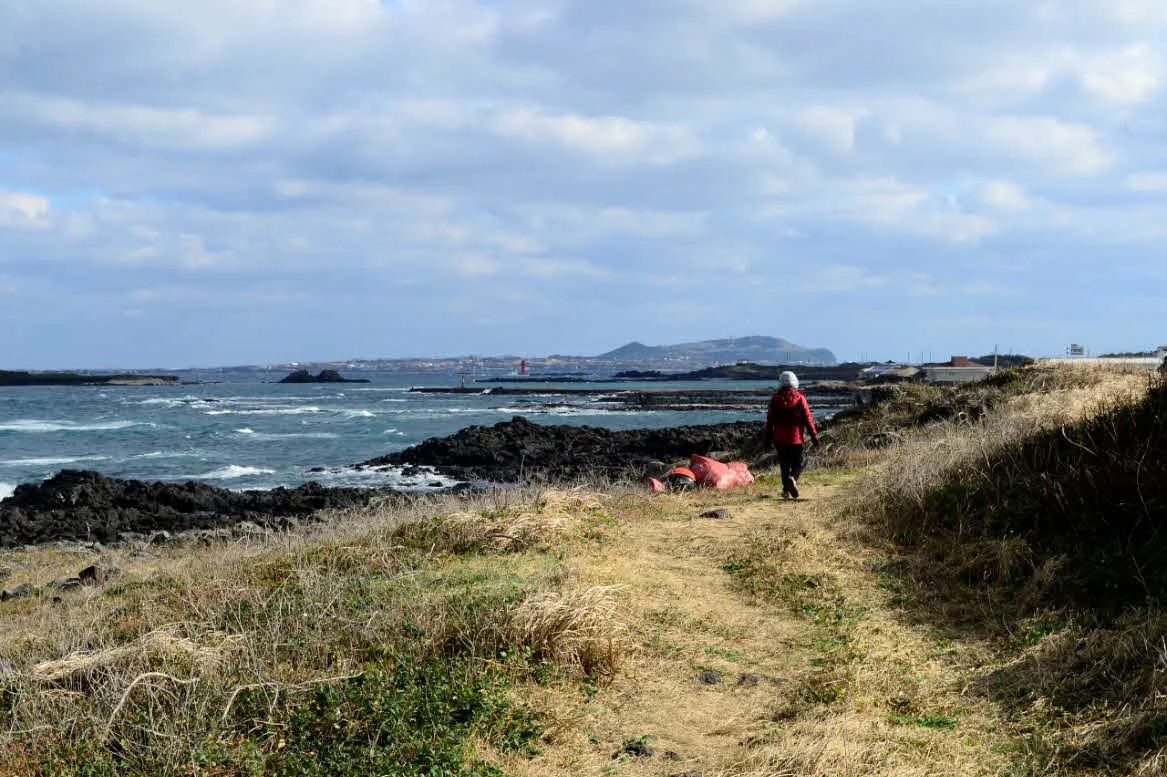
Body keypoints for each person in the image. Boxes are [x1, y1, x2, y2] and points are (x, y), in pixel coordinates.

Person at [762, 371, 819, 499]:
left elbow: (770, 421)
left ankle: (786, 491)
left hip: (779, 440)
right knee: (800, 463)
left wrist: (766, 440)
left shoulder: (775, 400)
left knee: (784, 465)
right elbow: (808, 420)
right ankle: (793, 479)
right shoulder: (800, 399)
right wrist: (814, 437)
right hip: (796, 439)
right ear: (795, 382)